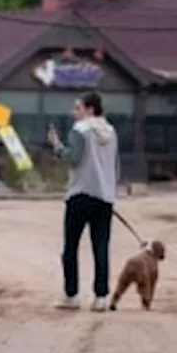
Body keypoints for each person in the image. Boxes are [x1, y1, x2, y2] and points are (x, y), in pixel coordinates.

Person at [47, 91, 119, 312]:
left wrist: (57, 145)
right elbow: (115, 166)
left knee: (71, 247)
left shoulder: (81, 130)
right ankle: (101, 296)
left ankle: (71, 295)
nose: (73, 112)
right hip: (104, 196)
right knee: (101, 247)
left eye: (77, 108)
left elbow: (73, 157)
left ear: (90, 110)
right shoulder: (111, 131)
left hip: (80, 194)